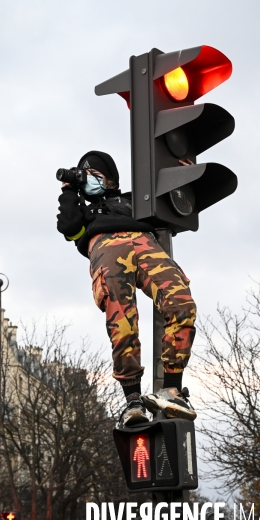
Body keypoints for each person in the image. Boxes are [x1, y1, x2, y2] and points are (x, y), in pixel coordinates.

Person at [57, 150, 197, 427]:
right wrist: (69, 190)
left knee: (181, 304)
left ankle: (171, 388)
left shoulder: (136, 201)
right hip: (104, 245)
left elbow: (178, 206)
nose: (90, 181)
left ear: (110, 180)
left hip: (144, 239)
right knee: (122, 321)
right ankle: (132, 399)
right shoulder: (83, 211)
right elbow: (69, 227)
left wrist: (185, 177)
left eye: (96, 176)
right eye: (87, 177)